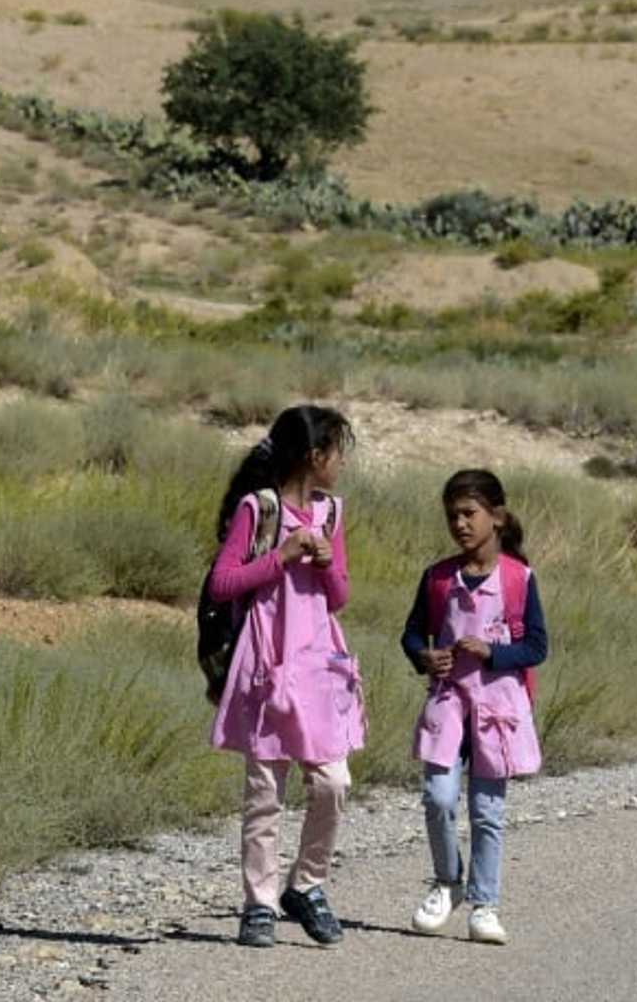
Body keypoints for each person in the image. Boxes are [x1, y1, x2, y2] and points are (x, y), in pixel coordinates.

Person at [208, 403, 363, 949]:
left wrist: (325, 564)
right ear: (314, 456)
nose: (342, 463)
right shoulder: (260, 510)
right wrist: (282, 555)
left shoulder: (333, 514)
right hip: (266, 662)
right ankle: (260, 904)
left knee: (333, 782)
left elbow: (340, 596)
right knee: (264, 790)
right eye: (337, 452)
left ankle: (307, 883)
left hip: (319, 663)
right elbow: (223, 583)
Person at [401, 467, 548, 946]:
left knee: (487, 812)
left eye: (469, 514)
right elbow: (411, 633)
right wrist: (424, 656)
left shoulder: (519, 580)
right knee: (439, 797)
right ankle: (447, 881)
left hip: (497, 711)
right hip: (448, 703)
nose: (460, 524)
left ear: (497, 517)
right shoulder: (438, 579)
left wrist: (495, 654)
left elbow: (537, 648)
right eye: (453, 516)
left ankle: (485, 905)